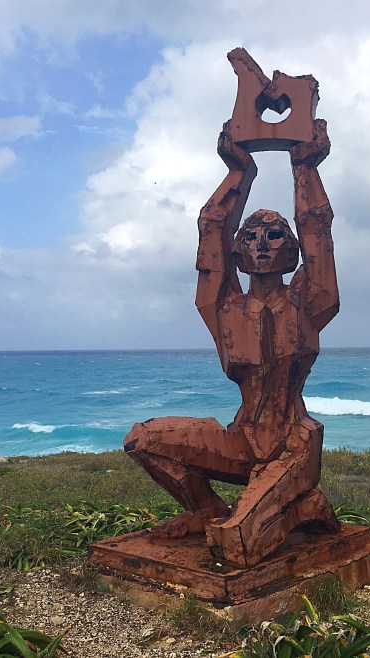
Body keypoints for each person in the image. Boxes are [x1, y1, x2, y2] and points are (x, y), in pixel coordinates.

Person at [123, 118, 340, 567]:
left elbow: (318, 231)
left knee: (235, 545)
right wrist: (238, 171)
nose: (261, 244)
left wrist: (305, 169)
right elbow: (211, 231)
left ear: (291, 252)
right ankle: (205, 508)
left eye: (274, 235)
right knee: (143, 440)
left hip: (294, 445)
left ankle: (301, 505)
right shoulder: (224, 309)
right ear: (238, 251)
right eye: (251, 237)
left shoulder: (307, 302)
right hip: (241, 440)